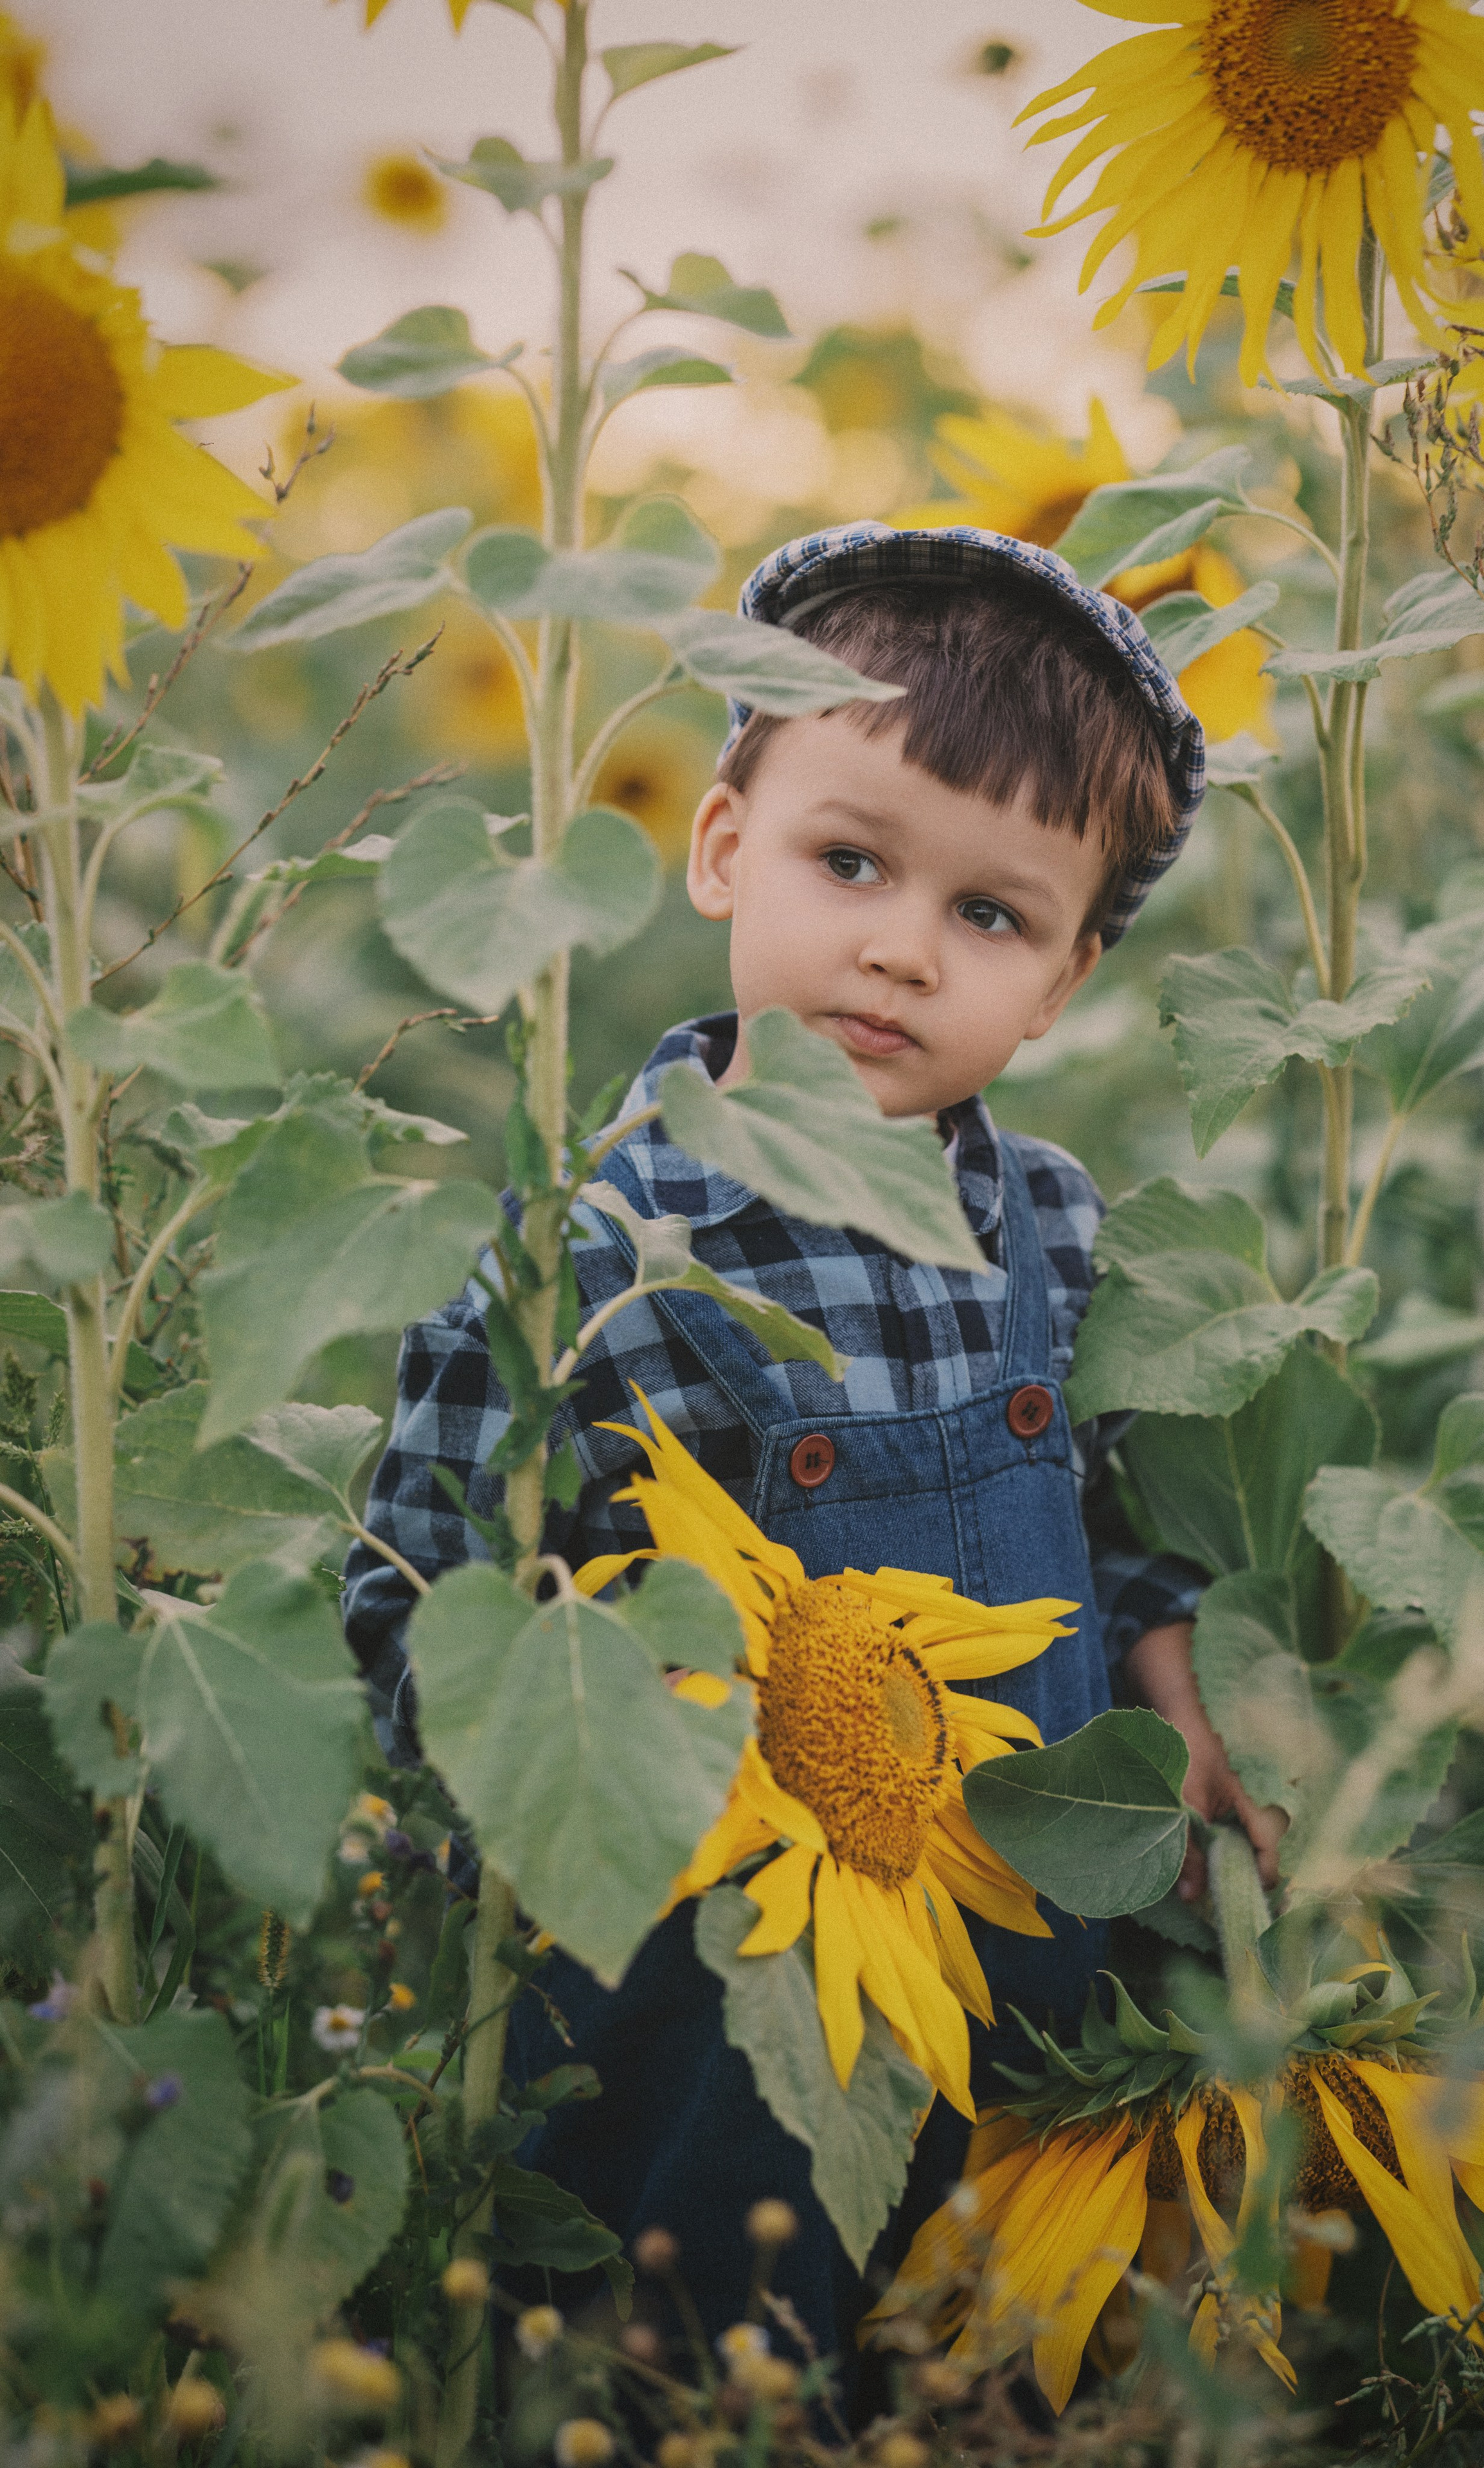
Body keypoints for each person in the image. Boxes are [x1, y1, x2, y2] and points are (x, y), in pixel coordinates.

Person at [341, 522, 1284, 2377]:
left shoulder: (1059, 1230)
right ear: (720, 846)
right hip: (710, 1995)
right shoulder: (598, 1251)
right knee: (682, 2335)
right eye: (849, 862)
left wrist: (1175, 1699)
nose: (896, 948)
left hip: (1013, 1967)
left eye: (988, 916)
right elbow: (422, 1608)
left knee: (962, 2347)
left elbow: (1115, 1521)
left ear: (1066, 981)